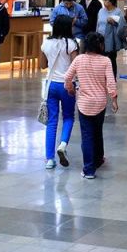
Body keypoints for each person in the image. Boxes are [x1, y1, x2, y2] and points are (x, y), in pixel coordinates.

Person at [64, 32, 118, 180]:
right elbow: (111, 82)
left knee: (87, 136)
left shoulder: (79, 59)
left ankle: (88, 169)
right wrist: (114, 99)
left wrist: (70, 89)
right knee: (97, 131)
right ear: (100, 45)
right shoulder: (106, 61)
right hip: (100, 103)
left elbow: (67, 77)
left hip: (84, 104)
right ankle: (98, 159)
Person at [40, 17, 80, 170]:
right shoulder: (71, 43)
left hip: (51, 85)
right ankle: (62, 144)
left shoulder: (46, 43)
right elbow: (75, 67)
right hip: (67, 84)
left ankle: (49, 159)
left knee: (52, 121)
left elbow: (42, 65)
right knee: (68, 116)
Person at [96, 0, 127, 78]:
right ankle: (102, 78)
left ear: (111, 2)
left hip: (111, 39)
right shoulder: (101, 11)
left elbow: (122, 26)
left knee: (111, 60)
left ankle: (112, 79)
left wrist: (113, 23)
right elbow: (98, 24)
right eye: (103, 0)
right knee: (100, 59)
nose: (104, 2)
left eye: (106, 0)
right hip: (100, 39)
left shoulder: (118, 12)